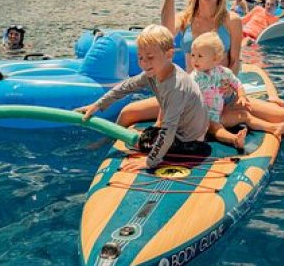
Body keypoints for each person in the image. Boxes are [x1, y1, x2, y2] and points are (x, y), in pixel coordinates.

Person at [114, 0, 284, 133]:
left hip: (222, 95)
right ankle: (108, 150)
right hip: (189, 95)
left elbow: (235, 61)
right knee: (127, 113)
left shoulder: (232, 20)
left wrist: (231, 89)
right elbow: (166, 31)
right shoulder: (185, 18)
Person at [78, 25, 209, 172]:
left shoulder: (176, 86)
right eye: (140, 57)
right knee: (146, 136)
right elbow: (126, 87)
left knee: (142, 142)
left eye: (150, 57)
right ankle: (107, 140)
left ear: (169, 54)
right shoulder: (153, 73)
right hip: (179, 131)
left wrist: (149, 162)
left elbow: (168, 129)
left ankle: (109, 142)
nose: (144, 63)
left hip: (190, 142)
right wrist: (96, 105)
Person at [190, 32, 284, 150]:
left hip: (222, 114)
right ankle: (234, 139)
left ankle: (273, 128)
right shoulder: (194, 78)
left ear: (215, 59)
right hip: (206, 119)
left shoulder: (223, 72)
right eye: (193, 55)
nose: (194, 60)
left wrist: (242, 97)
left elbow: (237, 85)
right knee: (216, 128)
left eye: (199, 56)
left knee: (245, 115)